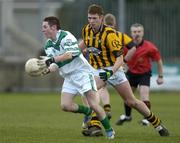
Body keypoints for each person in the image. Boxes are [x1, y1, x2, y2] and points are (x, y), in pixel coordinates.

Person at [79, 4, 169, 137]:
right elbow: (82, 45)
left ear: (101, 18)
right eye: (89, 18)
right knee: (88, 91)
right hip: (97, 69)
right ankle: (95, 125)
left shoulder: (110, 34)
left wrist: (111, 72)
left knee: (131, 101)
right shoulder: (86, 30)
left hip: (113, 68)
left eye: (94, 18)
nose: (91, 21)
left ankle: (157, 123)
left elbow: (120, 59)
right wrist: (68, 56)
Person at [36, 16, 115, 139]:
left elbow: (70, 55)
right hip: (68, 77)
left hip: (82, 73)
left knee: (94, 104)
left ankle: (110, 131)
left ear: (53, 27)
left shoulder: (66, 36)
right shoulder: (48, 45)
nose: (43, 30)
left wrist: (53, 61)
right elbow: (55, 63)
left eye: (45, 27)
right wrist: (49, 68)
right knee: (65, 106)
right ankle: (88, 113)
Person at [116, 23, 164, 126]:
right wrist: (123, 66)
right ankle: (128, 116)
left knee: (144, 97)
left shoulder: (150, 47)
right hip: (131, 74)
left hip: (144, 74)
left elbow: (159, 61)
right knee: (128, 98)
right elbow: (120, 59)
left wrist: (160, 76)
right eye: (134, 32)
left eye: (139, 31)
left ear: (143, 33)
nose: (137, 34)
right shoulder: (126, 46)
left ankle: (147, 119)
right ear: (131, 33)